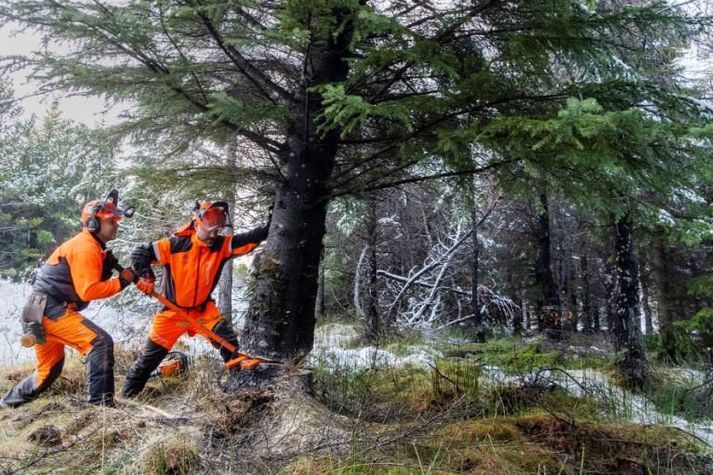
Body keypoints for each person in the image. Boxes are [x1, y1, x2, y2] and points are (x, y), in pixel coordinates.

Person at [1, 190, 136, 408]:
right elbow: (88, 291)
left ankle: (6, 405)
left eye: (116, 220)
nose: (116, 225)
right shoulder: (85, 247)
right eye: (111, 221)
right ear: (93, 223)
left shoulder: (92, 247)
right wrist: (122, 282)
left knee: (48, 369)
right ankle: (100, 409)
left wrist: (107, 270)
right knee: (99, 342)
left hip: (38, 310)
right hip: (48, 310)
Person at [122, 201, 269, 397]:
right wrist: (147, 276)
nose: (213, 235)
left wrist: (271, 225)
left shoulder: (222, 246)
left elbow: (251, 238)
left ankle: (239, 390)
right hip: (172, 313)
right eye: (209, 229)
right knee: (148, 361)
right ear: (196, 222)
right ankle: (126, 400)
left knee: (230, 345)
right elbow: (141, 252)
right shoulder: (174, 246)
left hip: (203, 311)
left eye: (218, 229)